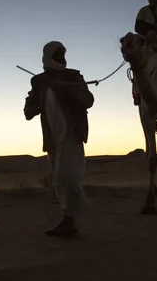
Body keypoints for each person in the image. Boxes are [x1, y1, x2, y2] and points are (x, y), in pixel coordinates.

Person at [23, 41, 95, 237]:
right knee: (58, 179)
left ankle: (70, 217)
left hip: (71, 131)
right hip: (52, 135)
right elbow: (30, 109)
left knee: (67, 175)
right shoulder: (38, 81)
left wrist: (72, 89)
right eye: (58, 55)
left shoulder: (73, 76)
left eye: (63, 55)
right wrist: (33, 105)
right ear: (48, 57)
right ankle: (68, 219)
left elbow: (88, 100)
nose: (62, 59)